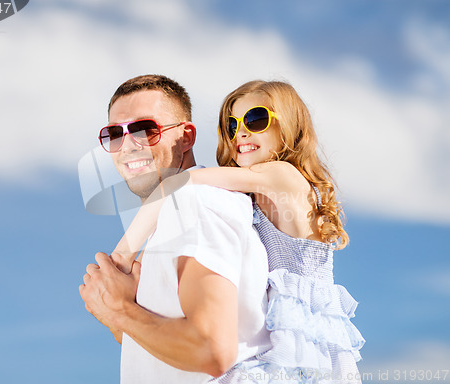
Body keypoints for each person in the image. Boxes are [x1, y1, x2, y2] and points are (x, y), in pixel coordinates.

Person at [112, 80, 365, 383]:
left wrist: (120, 259)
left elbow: (176, 184)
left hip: (305, 339)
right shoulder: (251, 194)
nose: (241, 132)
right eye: (232, 125)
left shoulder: (283, 175)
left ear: (289, 126)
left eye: (256, 120)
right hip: (283, 333)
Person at [79, 75, 272, 384]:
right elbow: (174, 359)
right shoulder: (174, 212)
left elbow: (211, 351)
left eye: (145, 130)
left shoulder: (194, 201)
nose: (128, 145)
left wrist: (119, 309)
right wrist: (119, 316)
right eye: (115, 133)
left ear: (186, 137)